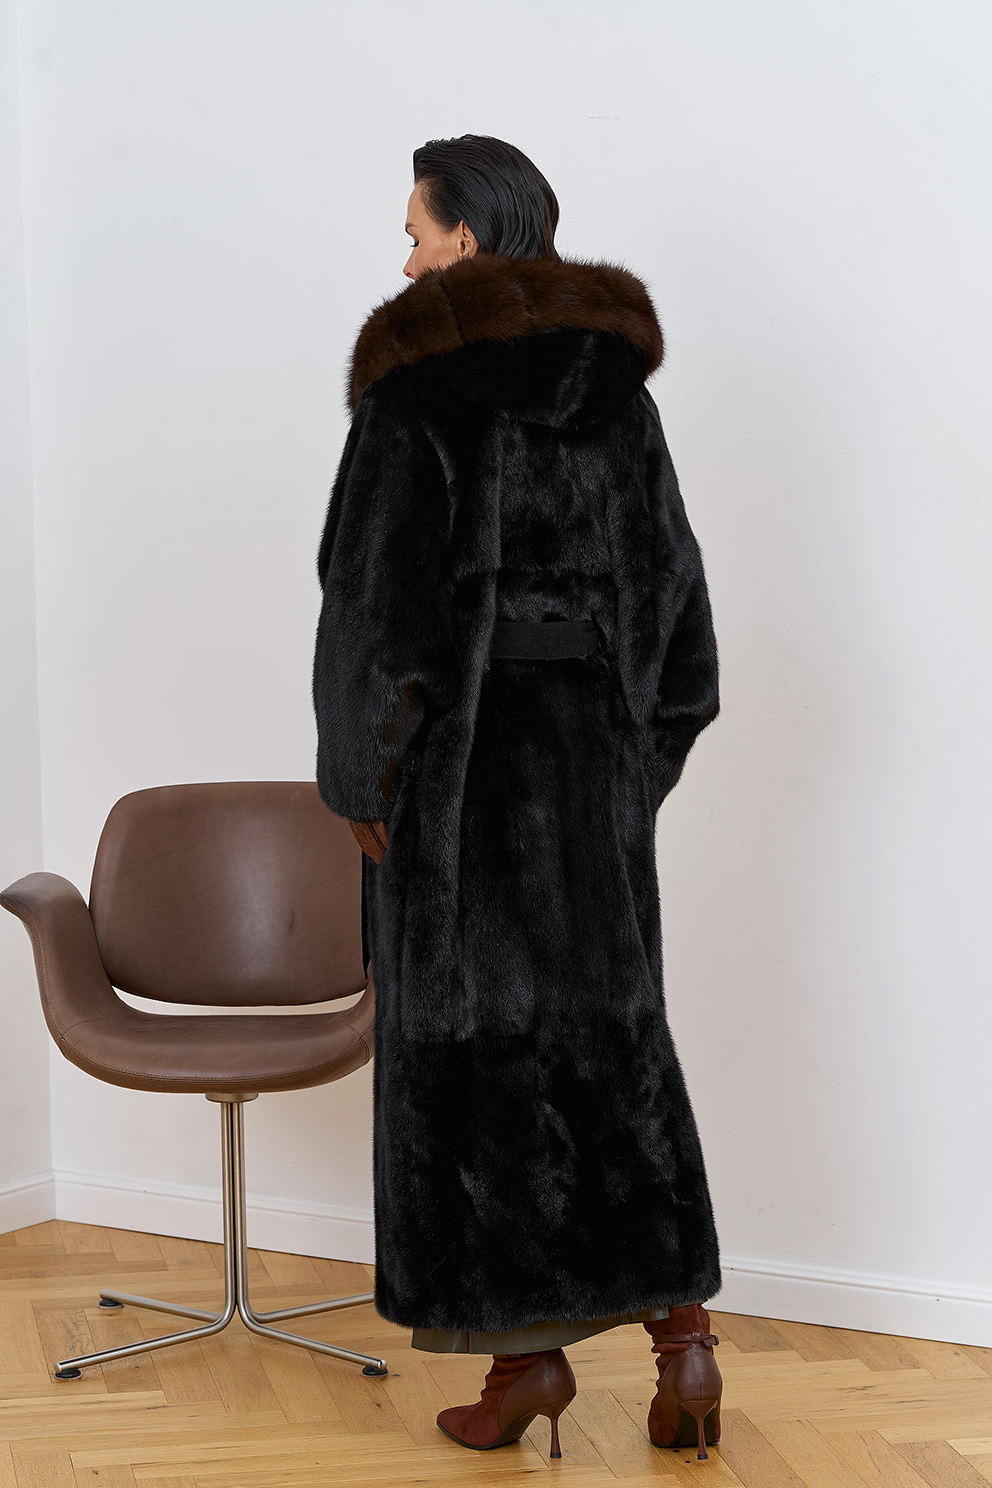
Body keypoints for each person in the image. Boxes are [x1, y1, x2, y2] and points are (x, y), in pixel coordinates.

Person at [312, 134, 723, 1462]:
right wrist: (631, 770)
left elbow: (377, 614)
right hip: (591, 777)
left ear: (470, 238)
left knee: (470, 1061)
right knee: (614, 1044)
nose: (407, 261)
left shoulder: (417, 389)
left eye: (417, 232)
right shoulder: (619, 396)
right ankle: (683, 1341)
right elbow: (677, 609)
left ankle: (523, 1364)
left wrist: (364, 779)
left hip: (461, 780)